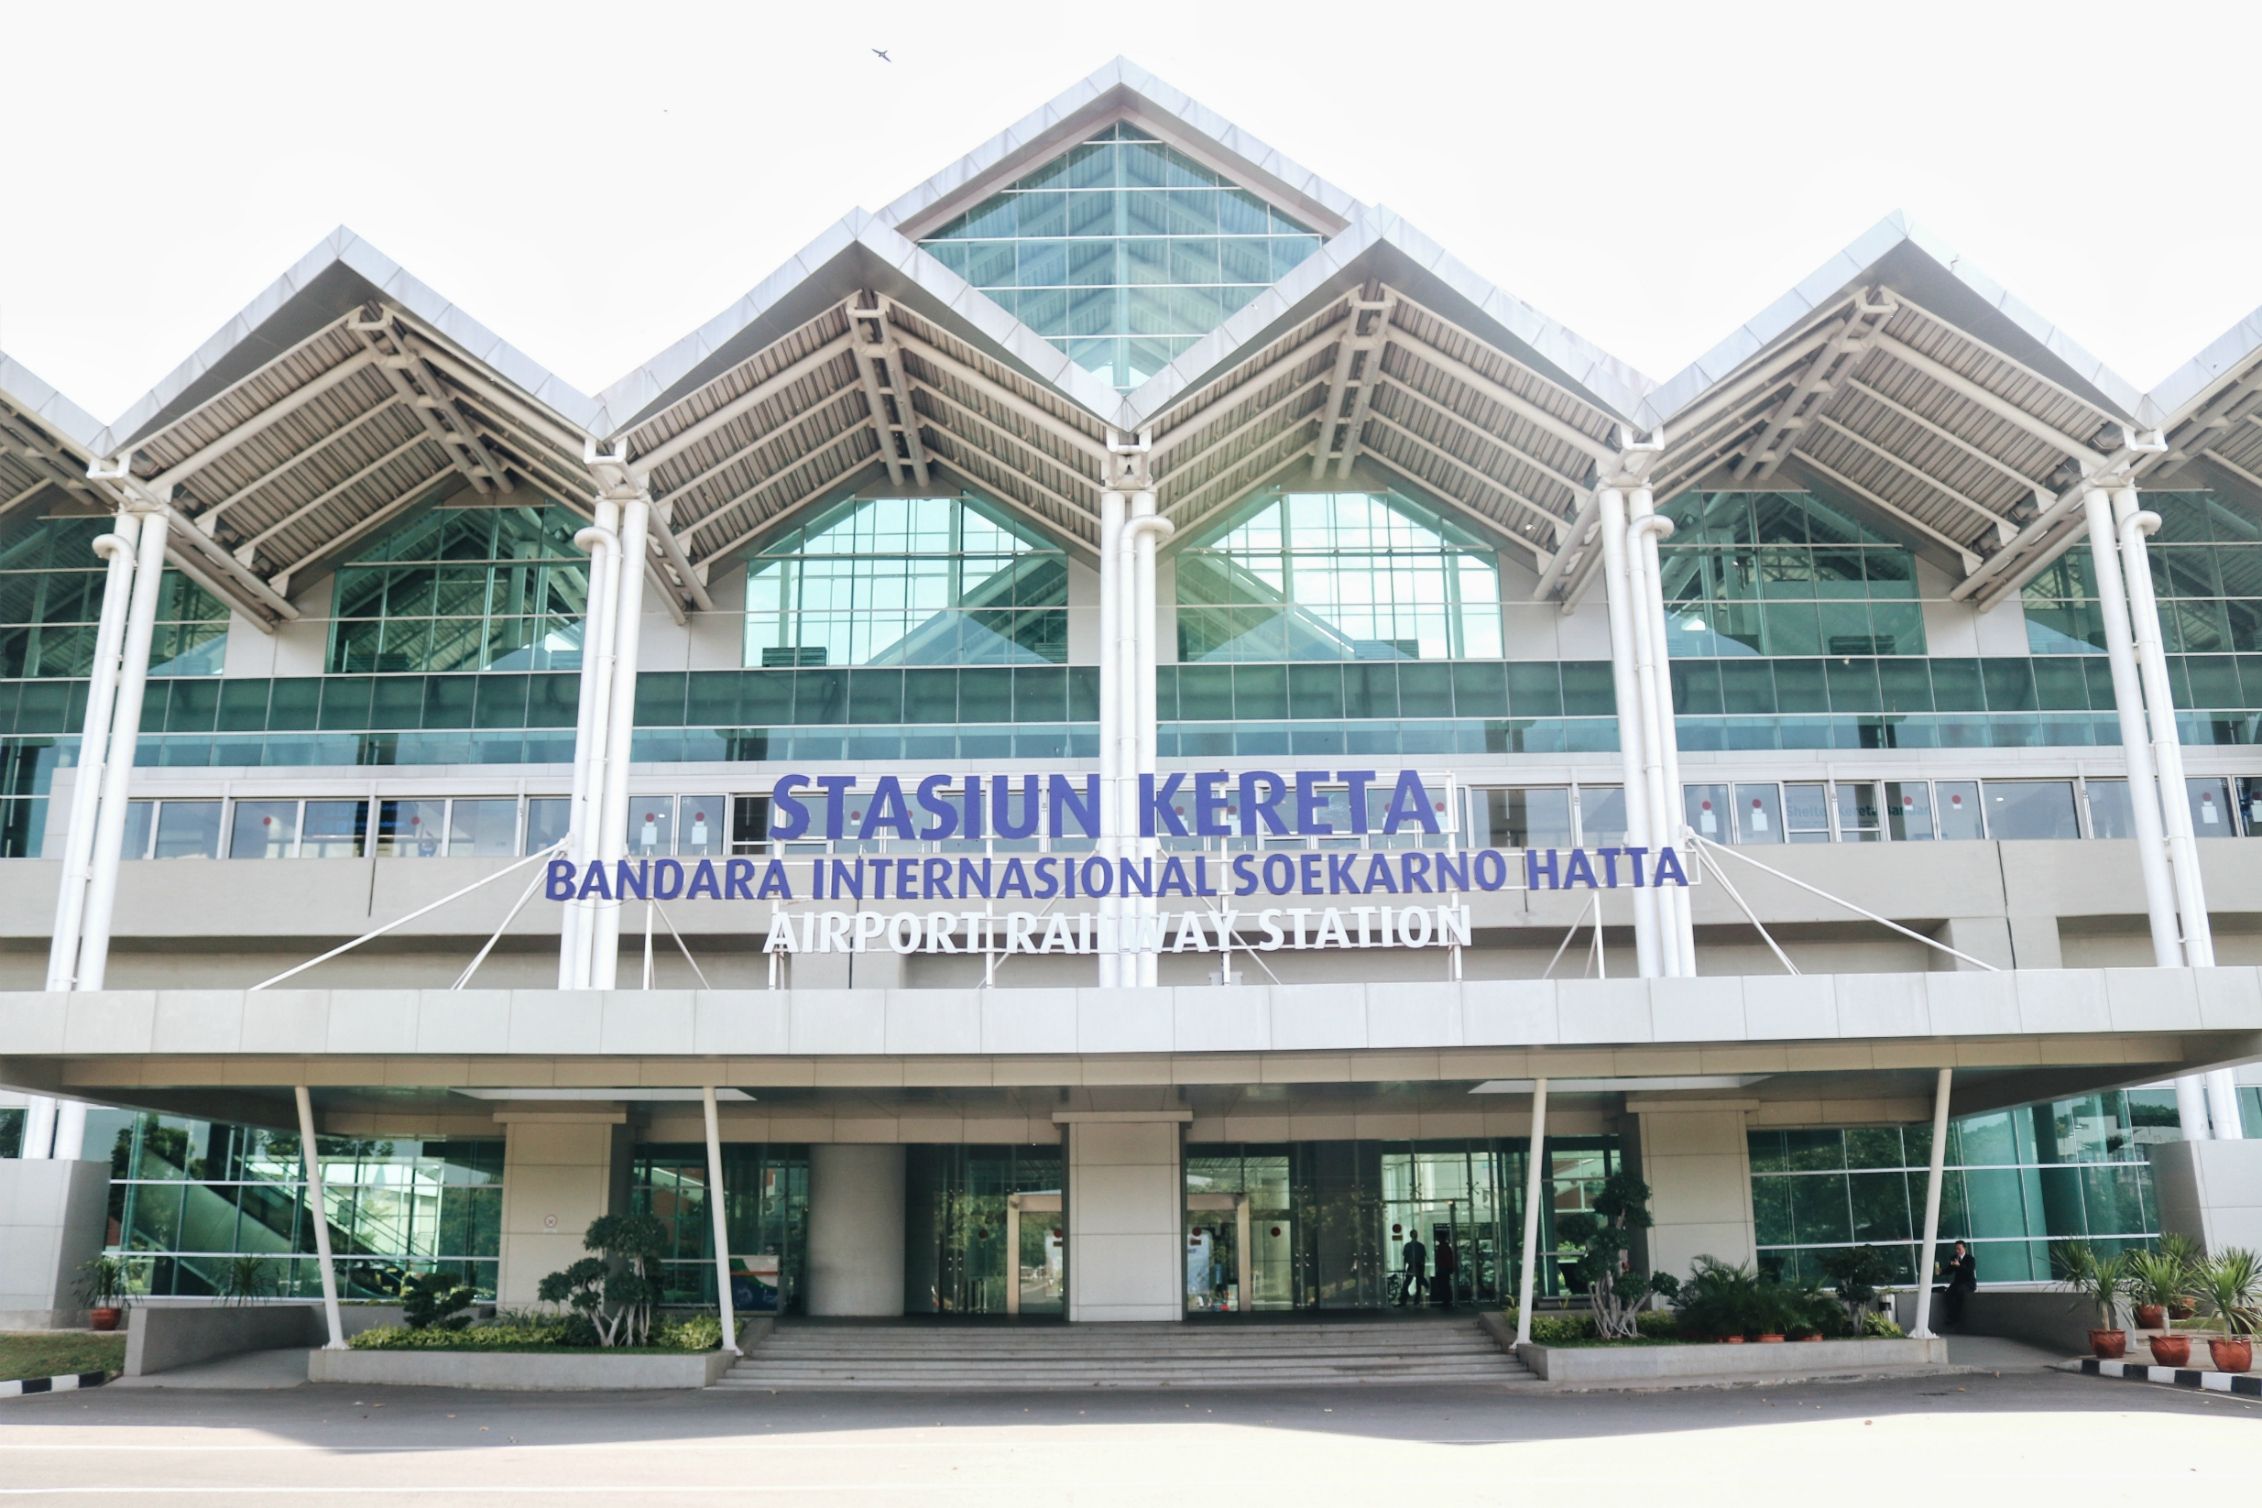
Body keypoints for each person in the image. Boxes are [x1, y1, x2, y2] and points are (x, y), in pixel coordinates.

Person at [1938, 1239, 1978, 1328]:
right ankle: (1951, 1315)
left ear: (1964, 1249)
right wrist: (1941, 1272)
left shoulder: (1970, 1259)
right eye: (1956, 1249)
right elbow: (1950, 1270)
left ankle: (1956, 1316)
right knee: (1948, 1293)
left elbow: (1969, 1270)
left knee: (1959, 1292)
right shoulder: (1954, 1258)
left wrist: (1959, 1265)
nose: (1957, 1251)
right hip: (1958, 1282)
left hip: (1968, 1283)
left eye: (1959, 1249)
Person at [1397, 1231, 1428, 1307]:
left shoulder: (1417, 1246)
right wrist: (1404, 1268)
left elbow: (1422, 1258)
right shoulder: (1412, 1246)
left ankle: (1413, 1301)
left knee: (1416, 1284)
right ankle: (1405, 1300)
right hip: (1413, 1266)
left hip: (1417, 1265)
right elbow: (1406, 1258)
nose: (1415, 1235)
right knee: (1408, 1284)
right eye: (1414, 1234)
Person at [1433, 1236, 1458, 1310]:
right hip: (1444, 1268)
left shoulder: (1442, 1248)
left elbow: (1443, 1259)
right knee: (1445, 1284)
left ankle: (1446, 1300)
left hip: (1443, 1268)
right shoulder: (1446, 1247)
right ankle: (1446, 1300)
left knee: (1444, 1285)